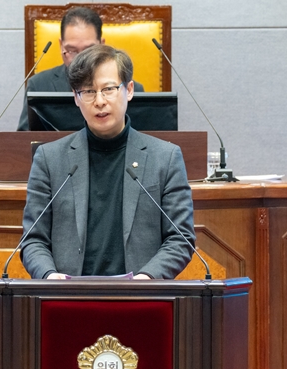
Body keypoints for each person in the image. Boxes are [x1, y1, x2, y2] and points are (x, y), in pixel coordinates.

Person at [20, 44, 195, 280]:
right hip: (67, 295)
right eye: (88, 92)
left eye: (109, 89)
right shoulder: (49, 159)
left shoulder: (166, 158)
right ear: (76, 98)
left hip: (141, 295)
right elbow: (33, 239)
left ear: (129, 90)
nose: (99, 101)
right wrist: (49, 276)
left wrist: (148, 279)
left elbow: (180, 239)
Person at [17, 6, 144, 131]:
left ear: (101, 44)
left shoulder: (127, 89)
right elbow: (23, 139)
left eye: (88, 50)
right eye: (72, 51)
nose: (80, 60)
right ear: (61, 45)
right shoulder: (38, 85)